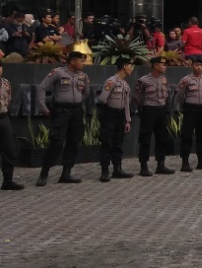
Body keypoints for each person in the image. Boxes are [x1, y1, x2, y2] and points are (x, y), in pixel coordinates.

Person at [35, 50, 90, 185]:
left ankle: (66, 173)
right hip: (61, 111)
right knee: (57, 142)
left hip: (76, 111)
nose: (83, 64)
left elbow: (86, 92)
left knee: (73, 142)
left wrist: (77, 100)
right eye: (80, 61)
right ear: (72, 62)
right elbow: (42, 88)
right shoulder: (58, 72)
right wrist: (43, 106)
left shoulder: (83, 76)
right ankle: (44, 173)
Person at [133, 56, 175, 176]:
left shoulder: (163, 79)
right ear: (156, 66)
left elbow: (166, 94)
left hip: (161, 110)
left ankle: (160, 165)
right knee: (145, 138)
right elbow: (137, 97)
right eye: (162, 64)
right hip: (149, 110)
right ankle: (143, 166)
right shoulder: (144, 80)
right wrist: (144, 108)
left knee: (161, 138)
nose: (164, 66)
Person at [96, 57, 135, 182]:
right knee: (107, 142)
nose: (131, 69)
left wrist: (127, 120)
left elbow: (127, 104)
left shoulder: (125, 84)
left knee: (118, 143)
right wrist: (108, 110)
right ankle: (105, 171)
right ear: (124, 66)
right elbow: (102, 99)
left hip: (120, 115)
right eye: (130, 66)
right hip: (110, 114)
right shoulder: (111, 81)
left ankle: (117, 169)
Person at [175, 55, 202, 172]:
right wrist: (185, 107)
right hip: (190, 109)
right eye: (197, 65)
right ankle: (185, 162)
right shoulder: (186, 80)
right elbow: (180, 96)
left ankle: (201, 161)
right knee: (187, 135)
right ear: (192, 65)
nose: (199, 67)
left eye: (201, 65)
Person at [0, 63, 24, 190]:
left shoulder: (5, 83)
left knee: (9, 149)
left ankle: (7, 181)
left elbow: (8, 100)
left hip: (3, 118)